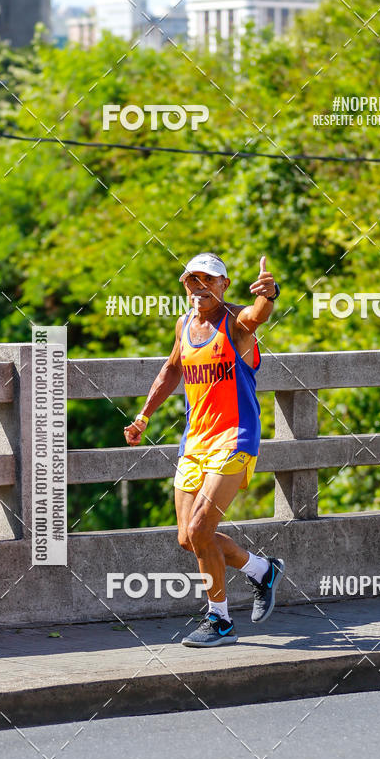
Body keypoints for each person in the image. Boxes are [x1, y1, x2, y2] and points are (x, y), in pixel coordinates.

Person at [123, 252, 284, 647]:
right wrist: (144, 416)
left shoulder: (236, 322)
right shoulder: (184, 325)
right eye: (192, 280)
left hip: (235, 437)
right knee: (188, 537)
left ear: (224, 284)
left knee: (200, 529)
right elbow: (172, 369)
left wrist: (269, 294)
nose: (199, 287)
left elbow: (258, 315)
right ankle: (262, 570)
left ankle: (220, 620)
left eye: (208, 279)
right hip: (195, 440)